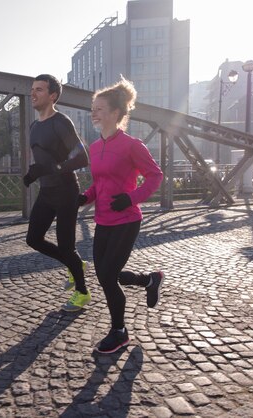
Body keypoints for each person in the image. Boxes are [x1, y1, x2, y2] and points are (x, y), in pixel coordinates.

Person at [78, 77, 164, 353]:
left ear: (115, 113)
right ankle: (148, 280)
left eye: (99, 108)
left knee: (105, 275)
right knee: (107, 274)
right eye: (93, 107)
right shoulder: (94, 147)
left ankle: (119, 331)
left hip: (127, 221)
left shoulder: (131, 145)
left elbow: (155, 176)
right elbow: (99, 183)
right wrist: (85, 197)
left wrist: (131, 197)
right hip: (102, 220)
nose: (94, 112)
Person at [23, 74, 90, 312]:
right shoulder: (34, 126)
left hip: (65, 191)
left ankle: (82, 292)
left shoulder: (61, 122)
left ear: (52, 96)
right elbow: (44, 158)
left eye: (39, 89)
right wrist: (35, 172)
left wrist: (55, 168)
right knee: (33, 239)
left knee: (66, 246)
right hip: (47, 190)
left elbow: (83, 157)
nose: (33, 93)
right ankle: (76, 265)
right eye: (32, 89)